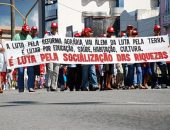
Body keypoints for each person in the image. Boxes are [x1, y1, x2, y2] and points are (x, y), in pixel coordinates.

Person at [13, 24, 35, 92]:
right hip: (19, 57)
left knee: (31, 71)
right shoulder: (16, 36)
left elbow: (33, 46)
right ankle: (21, 88)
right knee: (21, 72)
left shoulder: (29, 37)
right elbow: (11, 47)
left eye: (28, 31)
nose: (26, 33)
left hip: (28, 57)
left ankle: (30, 87)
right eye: (25, 31)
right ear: (22, 30)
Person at [150, 25, 167, 89]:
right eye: (156, 30)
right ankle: (154, 84)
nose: (157, 31)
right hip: (153, 57)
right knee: (154, 71)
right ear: (154, 31)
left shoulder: (163, 39)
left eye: (158, 30)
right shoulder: (151, 39)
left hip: (161, 56)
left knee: (164, 68)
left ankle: (163, 83)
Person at [44, 22, 60, 91]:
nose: (54, 29)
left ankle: (54, 86)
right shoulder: (47, 35)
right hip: (49, 55)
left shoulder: (59, 35)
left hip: (57, 56)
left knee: (56, 71)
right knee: (50, 70)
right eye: (53, 28)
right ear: (51, 28)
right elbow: (44, 44)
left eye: (55, 28)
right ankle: (48, 85)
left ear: (57, 28)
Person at [0, 29, 6, 93]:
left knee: (2, 74)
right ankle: (0, 87)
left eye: (1, 33)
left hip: (3, 59)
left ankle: (1, 86)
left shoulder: (3, 41)